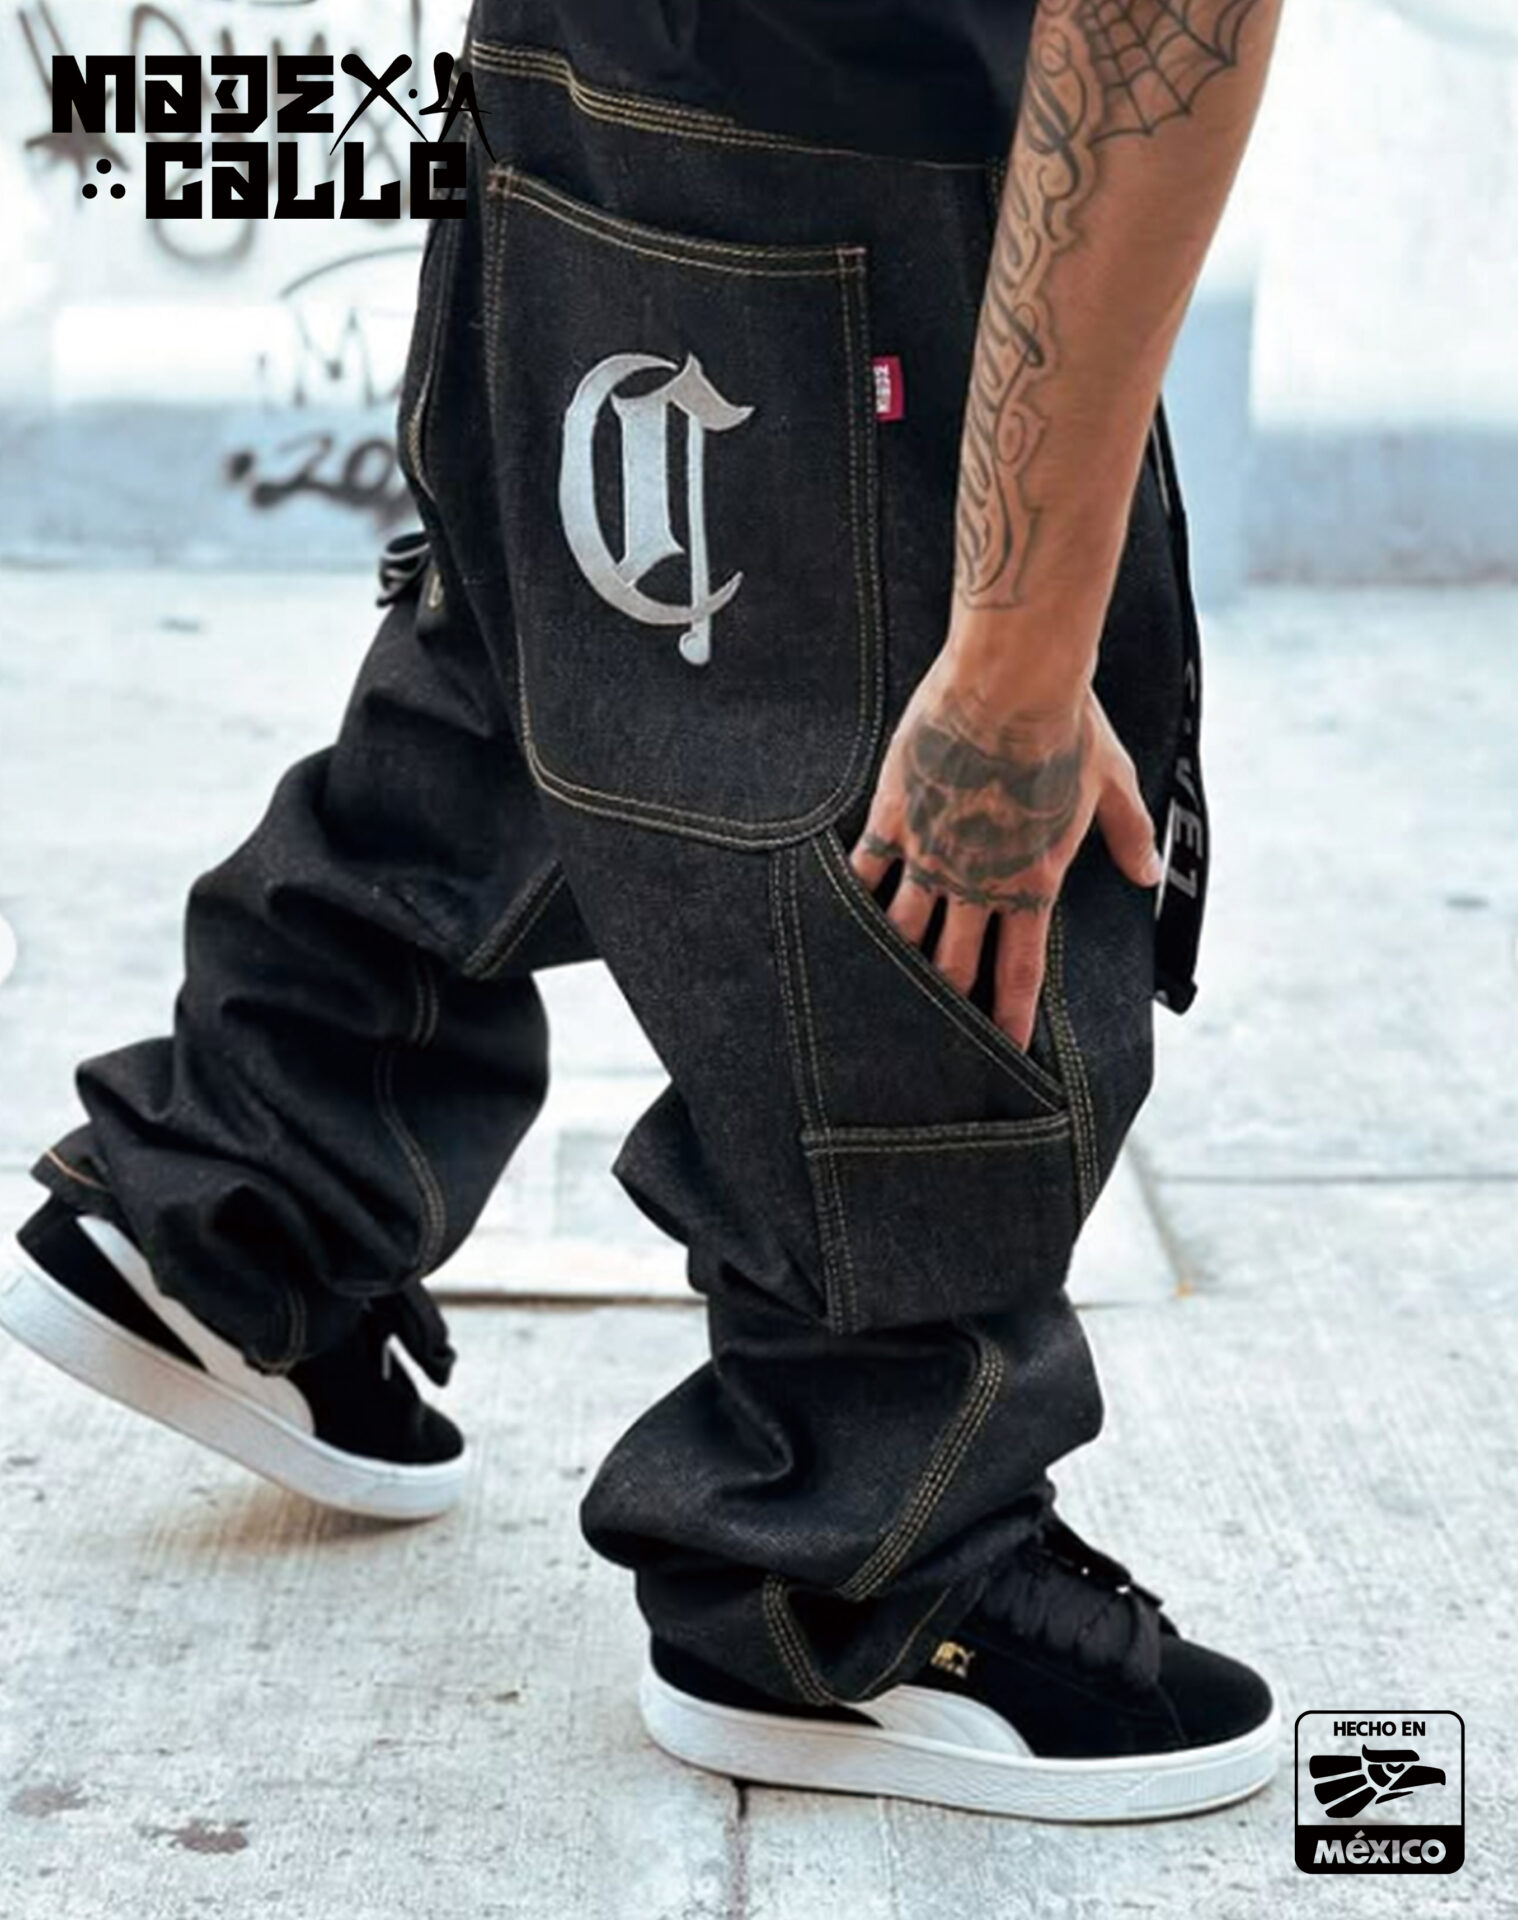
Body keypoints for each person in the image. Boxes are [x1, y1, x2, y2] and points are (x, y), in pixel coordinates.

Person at [3, 0, 1286, 1823]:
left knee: (572, 634)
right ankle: (850, 1571)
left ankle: (248, 1191)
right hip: (867, 119)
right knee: (921, 788)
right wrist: (1014, 657)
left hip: (575, 66)